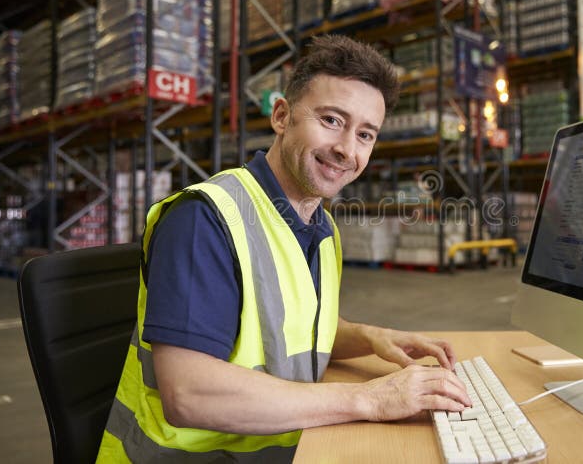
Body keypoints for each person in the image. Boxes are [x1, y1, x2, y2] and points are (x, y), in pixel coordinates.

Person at [96, 34, 471, 463]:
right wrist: (367, 398)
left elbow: (292, 329)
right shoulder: (206, 219)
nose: (347, 149)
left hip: (282, 448)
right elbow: (188, 393)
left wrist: (370, 337)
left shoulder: (321, 227)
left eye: (365, 134)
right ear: (281, 116)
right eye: (332, 120)